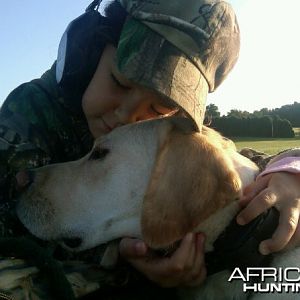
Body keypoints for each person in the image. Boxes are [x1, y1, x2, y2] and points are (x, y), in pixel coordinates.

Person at [0, 0, 300, 294]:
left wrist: (289, 173)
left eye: (158, 108)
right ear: (86, 53)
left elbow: (232, 159)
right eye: (119, 82)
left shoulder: (164, 140)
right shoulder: (29, 113)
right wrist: (126, 263)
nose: (126, 117)